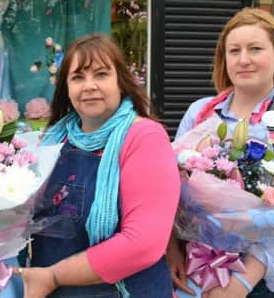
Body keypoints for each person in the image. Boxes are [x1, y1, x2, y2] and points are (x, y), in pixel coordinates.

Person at [166, 7, 274, 297]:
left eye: (255, 49)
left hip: (264, 276)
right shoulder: (199, 115)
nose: (244, 60)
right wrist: (172, 250)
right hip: (196, 265)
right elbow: (171, 190)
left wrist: (242, 281)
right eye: (234, 50)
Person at [14, 32, 180, 297]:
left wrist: (54, 276)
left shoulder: (144, 138)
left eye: (101, 74)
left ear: (121, 83)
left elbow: (143, 244)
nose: (89, 85)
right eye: (78, 77)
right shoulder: (52, 141)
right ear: (66, 89)